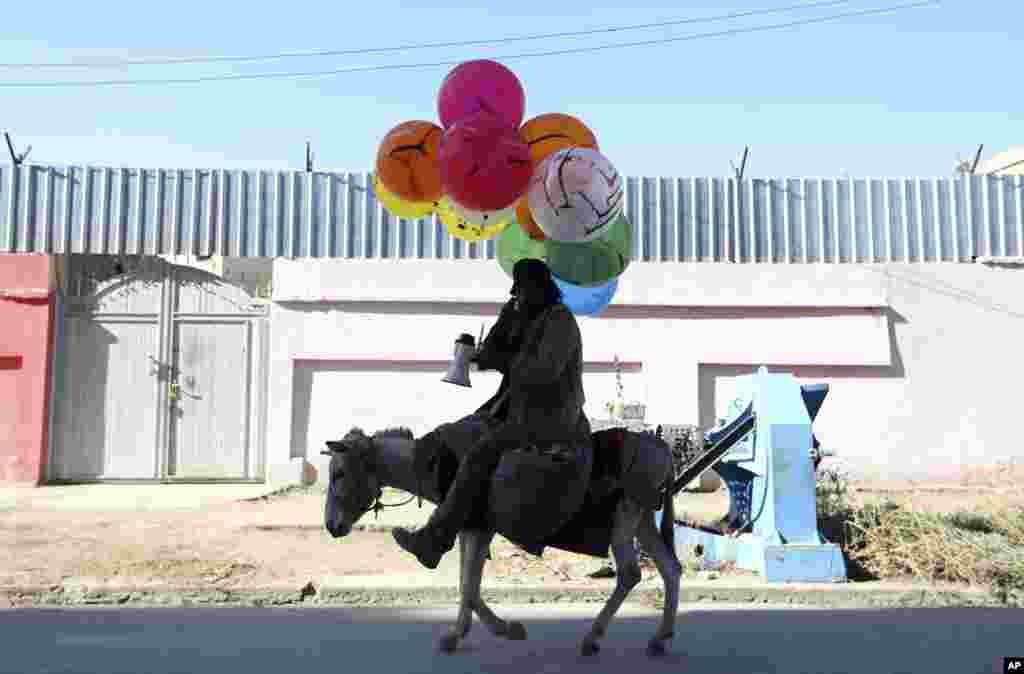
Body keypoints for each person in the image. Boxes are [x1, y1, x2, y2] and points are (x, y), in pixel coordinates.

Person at [393, 258, 591, 569]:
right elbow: (495, 354)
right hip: (512, 409)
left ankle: (435, 541)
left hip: (550, 420)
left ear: (542, 290)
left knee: (479, 454)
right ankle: (467, 516)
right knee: (445, 436)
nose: (517, 298)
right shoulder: (521, 315)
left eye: (523, 292)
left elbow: (543, 371)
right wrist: (484, 348)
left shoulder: (559, 321)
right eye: (515, 293)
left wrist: (504, 357)